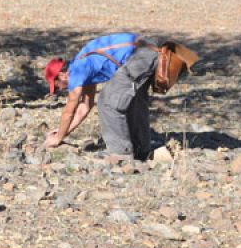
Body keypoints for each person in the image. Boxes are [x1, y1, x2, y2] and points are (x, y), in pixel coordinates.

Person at [43, 33, 197, 160]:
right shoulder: (83, 65)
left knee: (107, 101)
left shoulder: (76, 70)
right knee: (134, 103)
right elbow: (84, 107)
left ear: (62, 74)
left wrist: (57, 139)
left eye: (56, 85)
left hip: (140, 55)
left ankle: (120, 155)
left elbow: (70, 109)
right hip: (146, 51)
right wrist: (63, 133)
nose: (59, 89)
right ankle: (143, 151)